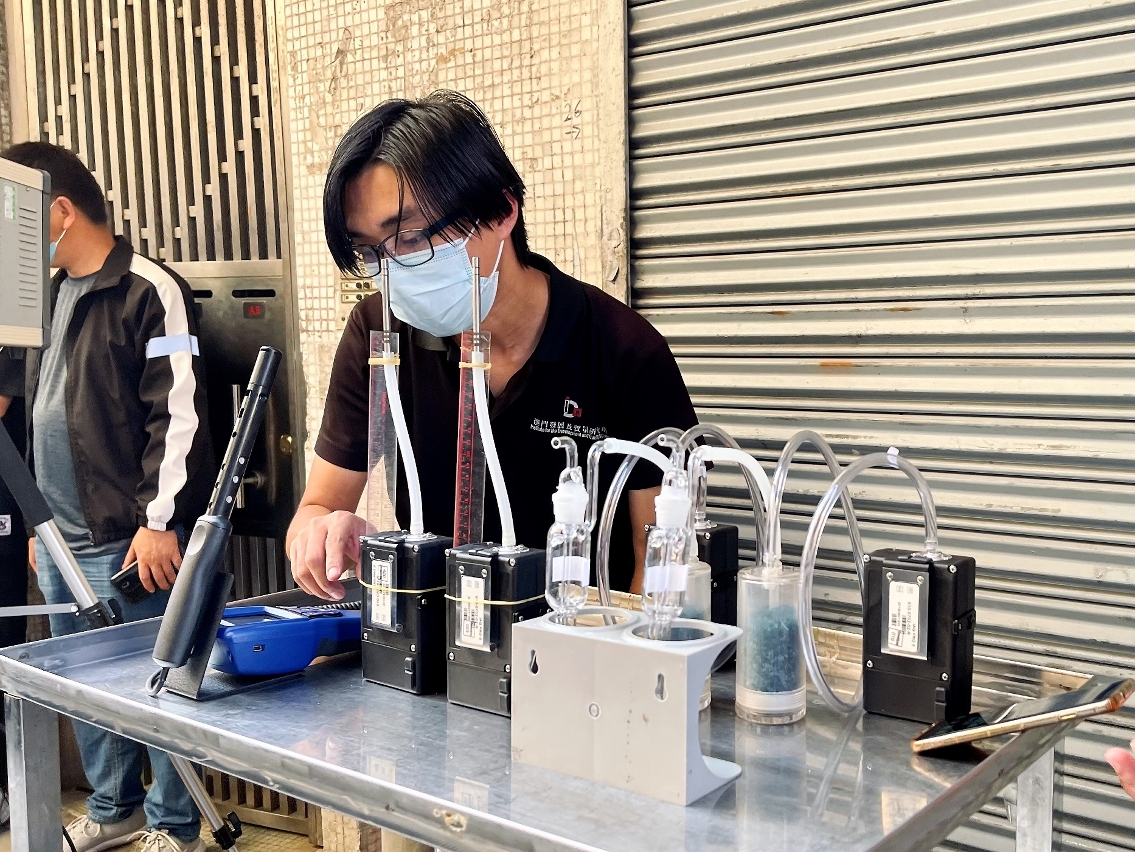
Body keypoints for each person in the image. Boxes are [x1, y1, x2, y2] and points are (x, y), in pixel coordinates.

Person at [288, 91, 698, 600]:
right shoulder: (378, 333)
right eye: (369, 251)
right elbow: (317, 506)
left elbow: (658, 561)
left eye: (411, 238)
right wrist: (322, 534)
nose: (391, 270)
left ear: (501, 211)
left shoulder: (625, 350)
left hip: (584, 631)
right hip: (438, 629)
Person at [1, 142, 214, 852]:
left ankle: (175, 827)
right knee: (86, 691)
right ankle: (113, 807)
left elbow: (176, 414)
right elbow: (30, 415)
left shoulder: (148, 290)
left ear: (59, 211)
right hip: (60, 536)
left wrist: (160, 520)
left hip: (128, 536)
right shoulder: (45, 293)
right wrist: (37, 524)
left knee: (155, 684)